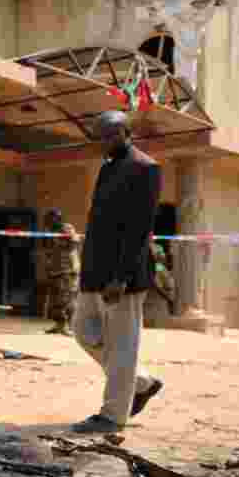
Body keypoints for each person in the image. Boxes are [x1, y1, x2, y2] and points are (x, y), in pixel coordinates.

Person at [71, 111, 164, 434]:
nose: (105, 142)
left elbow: (139, 229)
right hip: (95, 272)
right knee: (83, 331)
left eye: (111, 135)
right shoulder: (108, 167)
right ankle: (139, 382)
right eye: (101, 137)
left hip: (122, 278)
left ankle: (112, 416)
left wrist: (121, 278)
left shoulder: (145, 167)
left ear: (127, 132)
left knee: (123, 345)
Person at [42, 208, 80, 336]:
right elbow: (47, 249)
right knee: (55, 301)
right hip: (54, 271)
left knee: (66, 300)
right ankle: (59, 325)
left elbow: (74, 242)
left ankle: (69, 326)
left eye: (49, 219)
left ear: (57, 219)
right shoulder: (49, 231)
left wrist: (62, 240)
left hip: (67, 271)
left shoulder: (66, 228)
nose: (47, 222)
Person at [149, 241, 177, 315]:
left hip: (165, 297)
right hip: (159, 300)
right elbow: (157, 286)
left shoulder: (161, 267)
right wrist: (168, 298)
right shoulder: (158, 267)